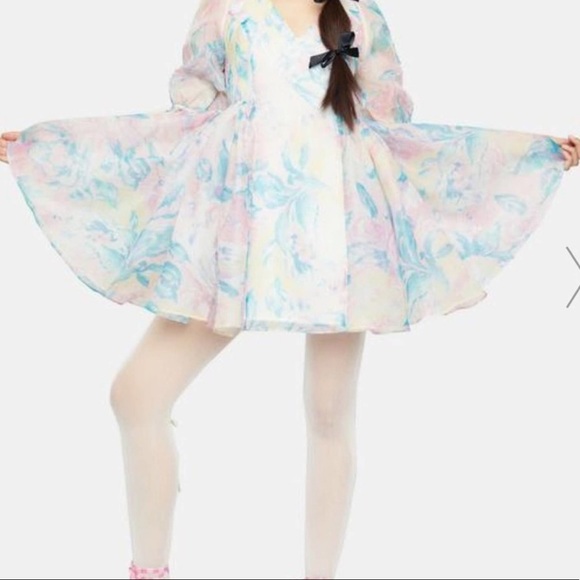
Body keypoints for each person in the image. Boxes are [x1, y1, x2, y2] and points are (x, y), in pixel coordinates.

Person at [1, 0, 579, 578]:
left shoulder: (360, 18)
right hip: (238, 237)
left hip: (342, 237)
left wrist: (534, 154)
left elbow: (396, 134)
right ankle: (149, 571)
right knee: (136, 395)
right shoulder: (227, 12)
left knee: (329, 414)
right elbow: (183, 125)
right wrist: (49, 149)